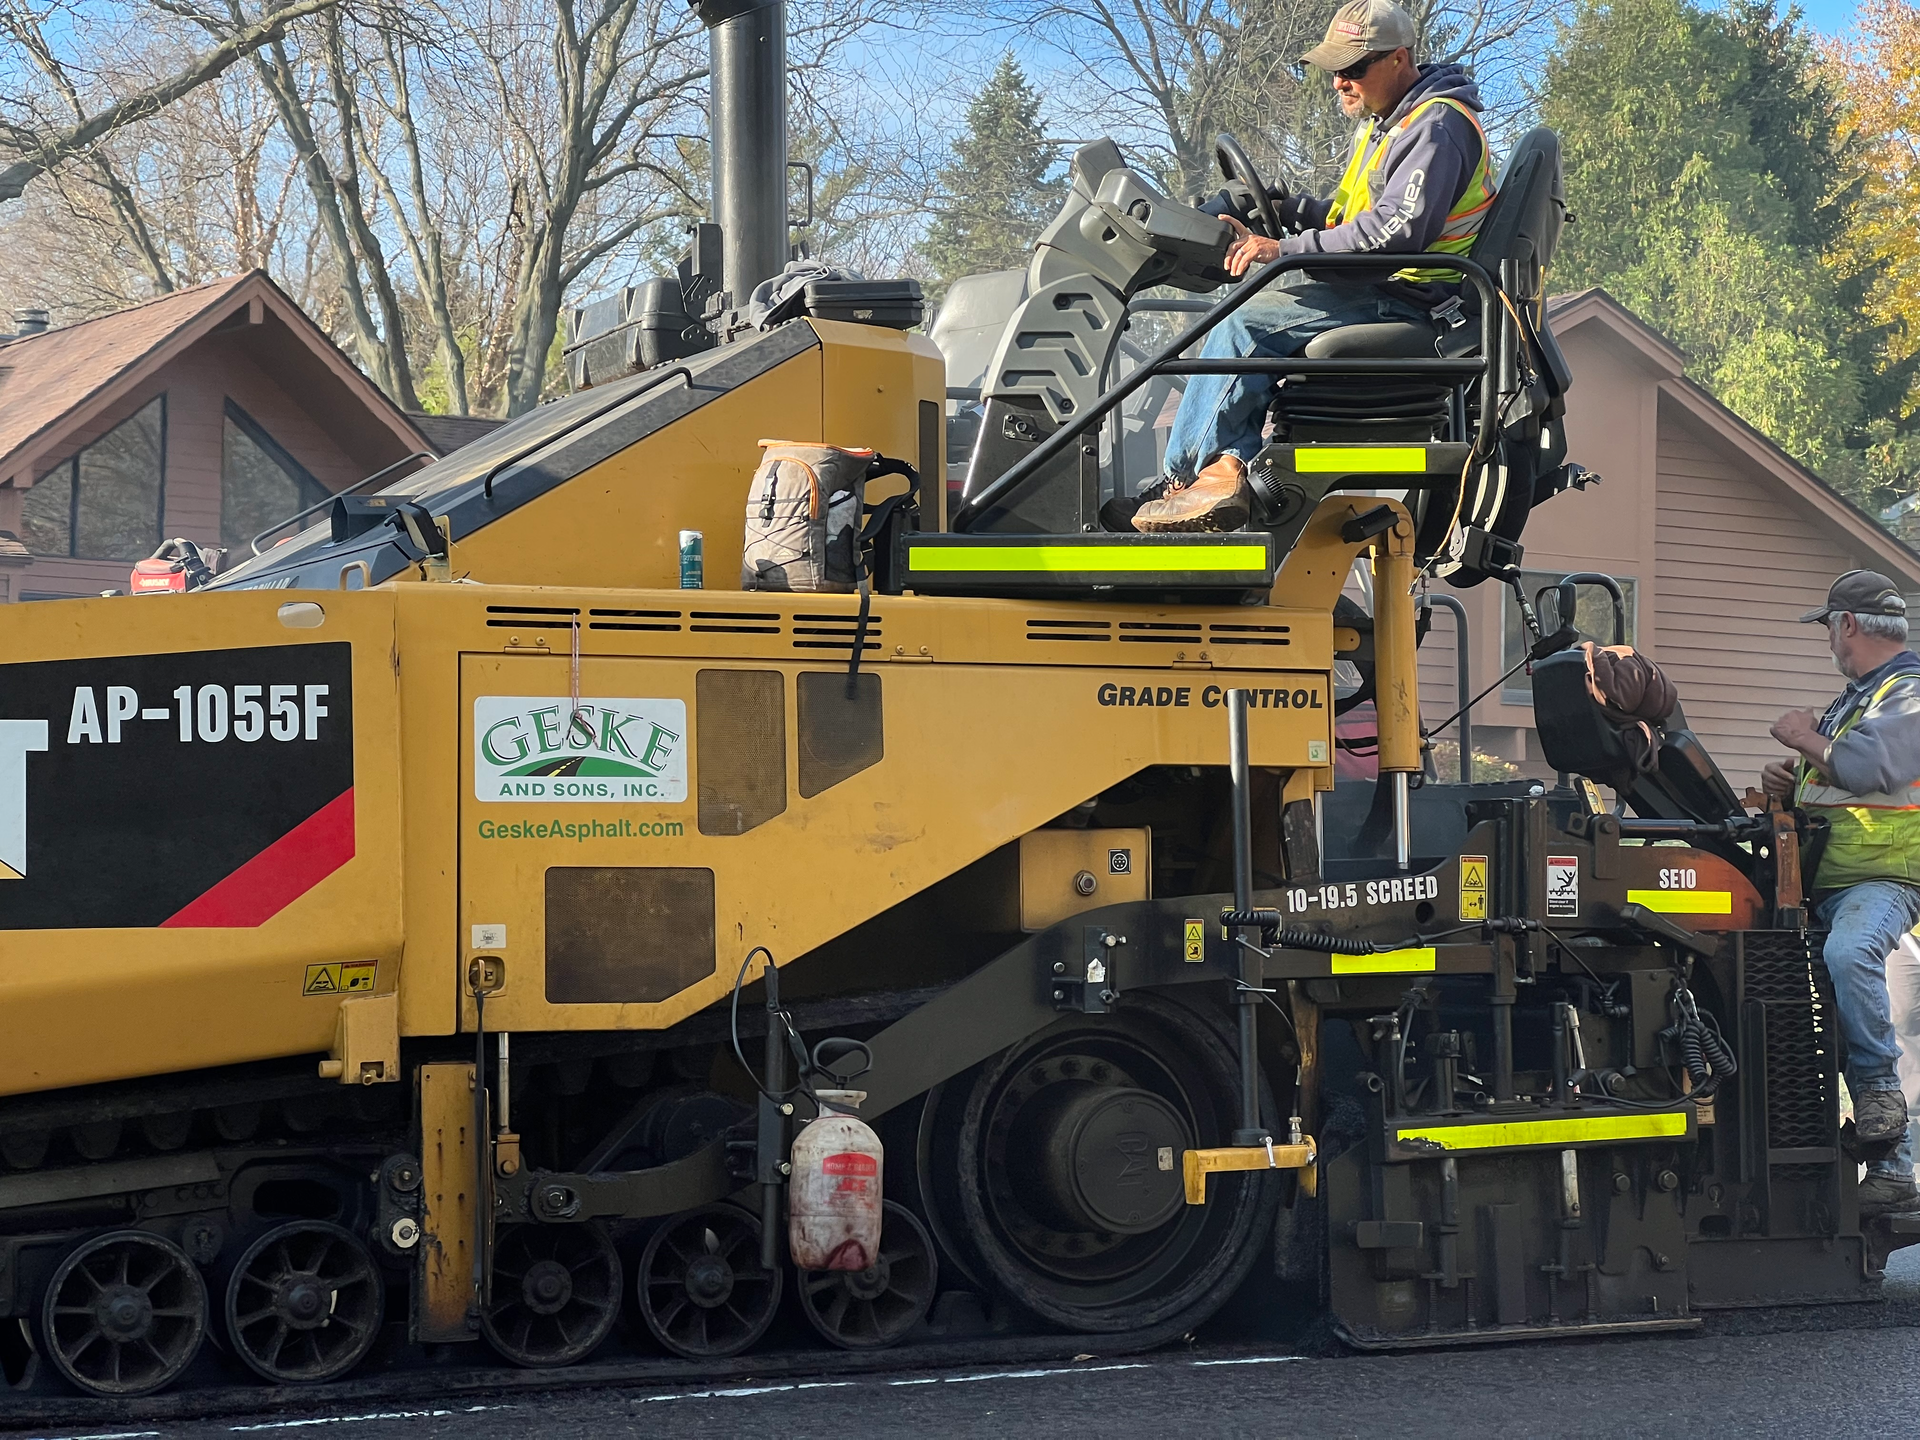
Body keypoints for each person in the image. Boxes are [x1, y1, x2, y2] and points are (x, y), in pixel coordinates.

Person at [1124, 0, 1497, 534]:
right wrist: (1285, 211)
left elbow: (1395, 234)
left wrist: (1283, 249)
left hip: (1412, 297)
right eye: (1335, 70)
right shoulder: (1389, 124)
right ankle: (1217, 469)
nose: (1340, 82)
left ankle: (1198, 482)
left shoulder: (1435, 126)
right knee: (1243, 315)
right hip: (1384, 287)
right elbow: (1354, 218)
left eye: (1354, 69)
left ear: (1399, 58)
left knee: (1246, 325)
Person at [1762, 569, 1920, 1216]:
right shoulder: (1863, 697)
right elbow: (1834, 773)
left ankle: (1881, 1094)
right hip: (1834, 881)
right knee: (1840, 1020)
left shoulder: (1909, 693)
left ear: (1847, 624)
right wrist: (1790, 777)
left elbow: (1861, 767)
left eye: (1829, 626)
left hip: (1881, 878)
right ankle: (1894, 1173)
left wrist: (1800, 736)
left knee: (1851, 956)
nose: (1828, 640)